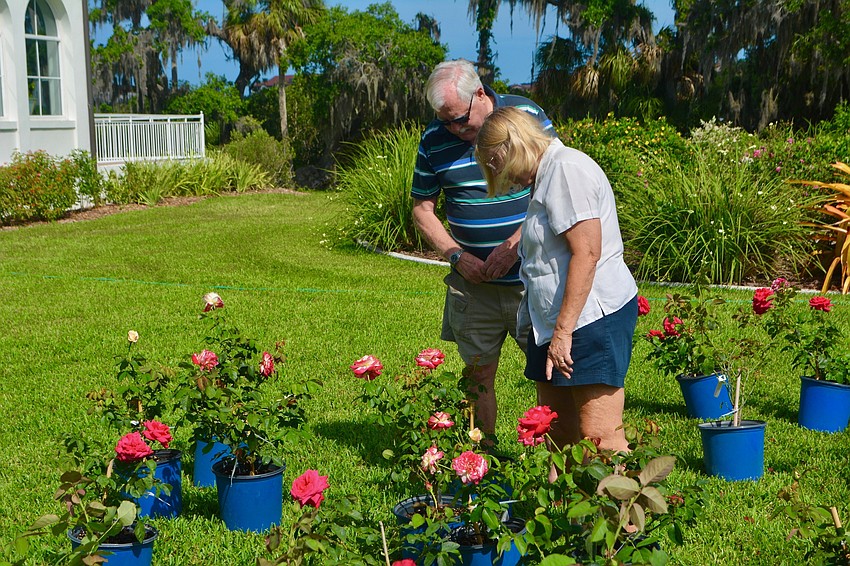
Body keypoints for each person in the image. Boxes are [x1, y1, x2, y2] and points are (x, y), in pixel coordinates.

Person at [474, 107, 638, 453]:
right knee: (555, 429)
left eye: (495, 163)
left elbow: (587, 253)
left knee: (599, 435)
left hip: (591, 318)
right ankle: (559, 507)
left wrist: (563, 334)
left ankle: (624, 506)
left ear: (510, 145)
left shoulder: (566, 170)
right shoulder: (545, 175)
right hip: (554, 322)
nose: (501, 175)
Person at [411, 60, 555, 442]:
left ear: (480, 93)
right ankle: (481, 456)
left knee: (549, 372)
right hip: (473, 286)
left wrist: (515, 244)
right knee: (476, 375)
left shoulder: (524, 115)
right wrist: (456, 255)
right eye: (445, 122)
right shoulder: (434, 140)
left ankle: (554, 456)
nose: (455, 130)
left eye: (459, 120)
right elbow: (422, 208)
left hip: (531, 277)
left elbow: (555, 187)